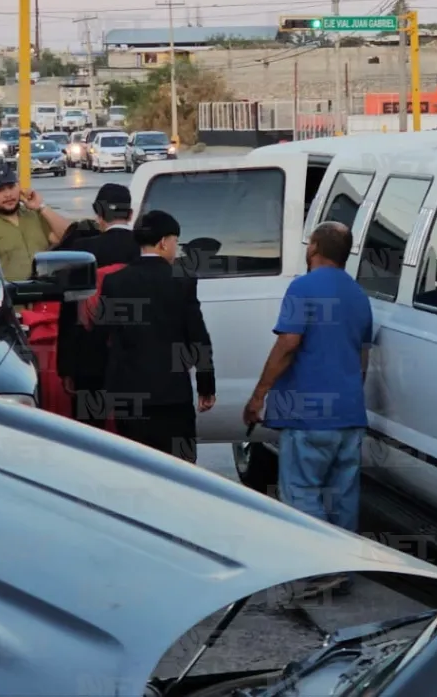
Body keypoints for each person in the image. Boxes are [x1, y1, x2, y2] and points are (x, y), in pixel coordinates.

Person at [243, 221, 372, 597]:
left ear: (314, 247)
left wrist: (258, 396)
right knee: (341, 493)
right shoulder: (359, 295)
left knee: (300, 490)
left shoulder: (302, 287)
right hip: (349, 411)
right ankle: (344, 565)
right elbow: (362, 358)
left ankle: (323, 567)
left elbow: (288, 343)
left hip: (307, 411)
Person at [95, 210, 215, 462]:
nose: (176, 249)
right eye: (176, 242)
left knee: (136, 468)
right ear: (163, 242)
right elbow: (198, 337)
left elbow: (104, 336)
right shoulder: (181, 281)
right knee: (180, 471)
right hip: (173, 395)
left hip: (129, 396)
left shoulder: (115, 282)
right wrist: (206, 385)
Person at [57, 184, 140, 426]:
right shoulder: (147, 250)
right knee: (138, 439)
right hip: (136, 360)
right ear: (131, 214)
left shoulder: (81, 251)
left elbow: (69, 311)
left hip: (89, 361)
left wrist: (67, 367)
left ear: (99, 215)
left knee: (91, 437)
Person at [0, 164, 71, 282]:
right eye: (0, 190)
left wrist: (41, 207)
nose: (8, 194)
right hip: (9, 297)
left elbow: (68, 236)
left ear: (19, 186)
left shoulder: (33, 214)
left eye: (11, 187)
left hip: (44, 294)